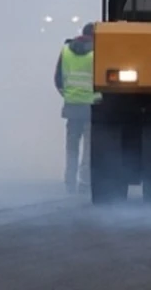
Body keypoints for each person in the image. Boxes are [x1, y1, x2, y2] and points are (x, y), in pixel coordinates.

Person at [53, 22, 100, 194]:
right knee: (88, 149)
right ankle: (85, 183)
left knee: (71, 148)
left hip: (71, 107)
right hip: (92, 107)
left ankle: (69, 182)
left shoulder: (66, 50)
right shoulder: (99, 52)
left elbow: (58, 79)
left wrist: (68, 95)